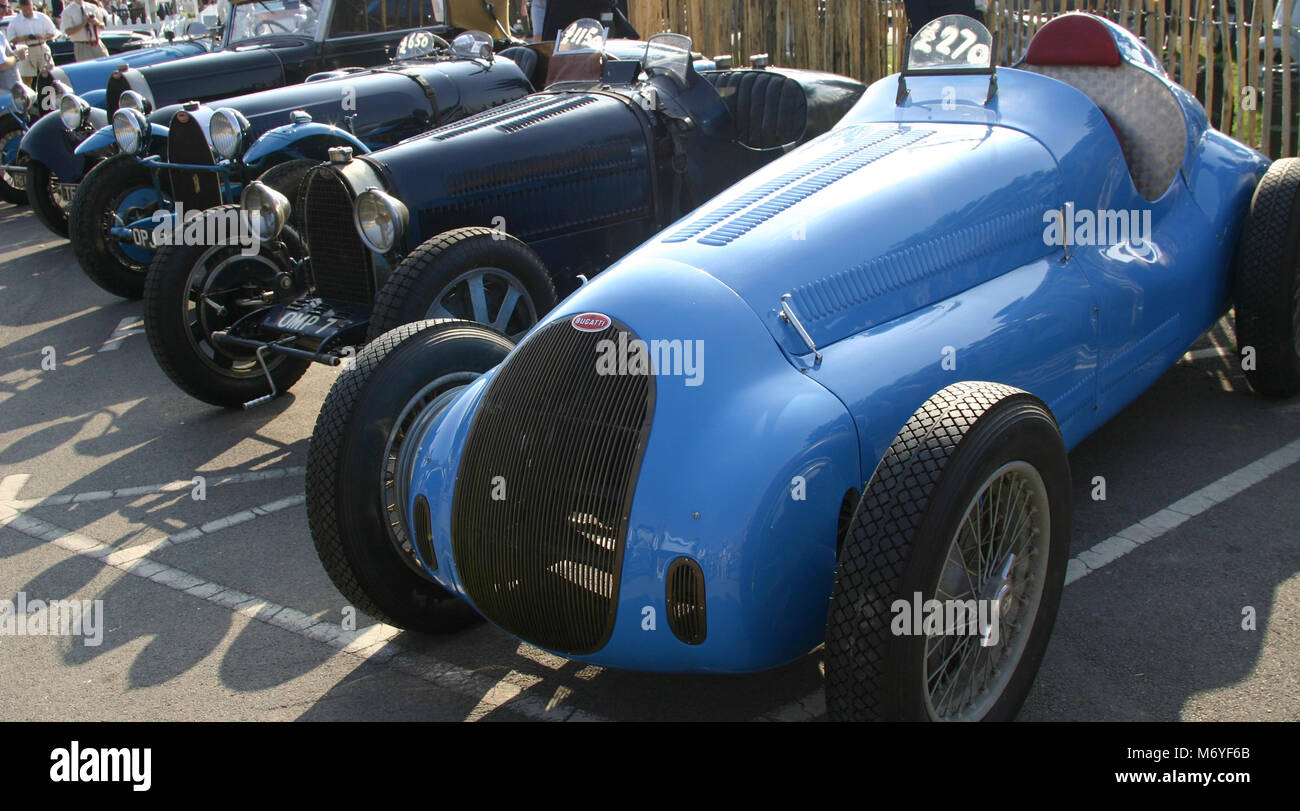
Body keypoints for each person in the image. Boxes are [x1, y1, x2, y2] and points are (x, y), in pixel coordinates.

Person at [6, 0, 58, 87]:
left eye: (29, 9)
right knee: (27, 77)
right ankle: (29, 98)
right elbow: (11, 39)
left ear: (32, 6)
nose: (28, 12)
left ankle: (49, 95)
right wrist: (24, 38)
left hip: (41, 46)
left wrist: (42, 36)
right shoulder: (15, 21)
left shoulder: (42, 17)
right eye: (25, 10)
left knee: (49, 74)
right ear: (21, 8)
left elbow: (53, 32)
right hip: (26, 49)